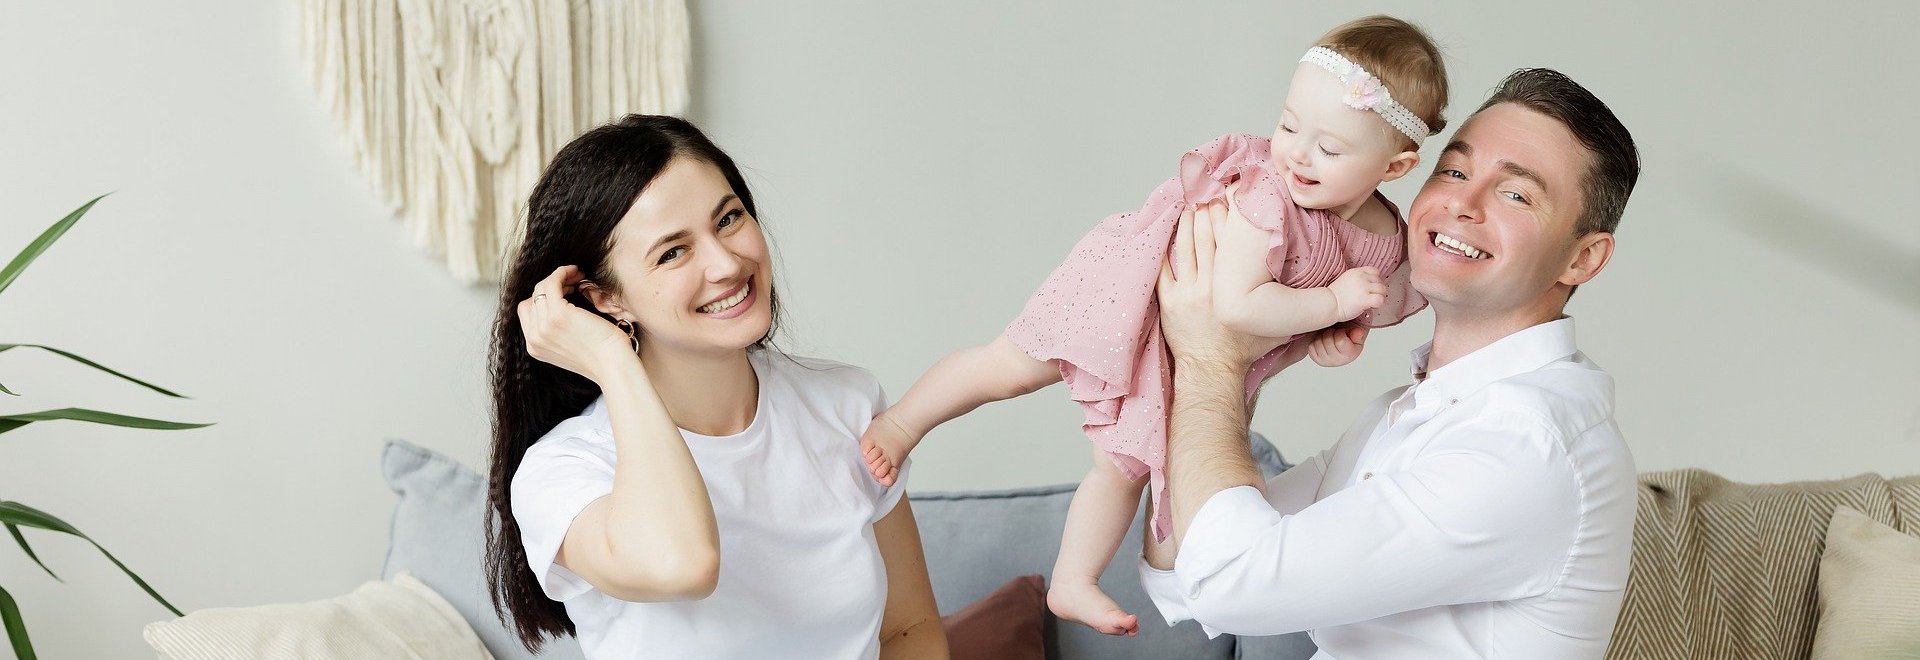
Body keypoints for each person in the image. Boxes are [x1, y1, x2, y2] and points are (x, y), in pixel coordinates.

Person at [857, 16, 1444, 635]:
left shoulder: (1383, 242)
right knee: (1008, 367)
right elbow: (1238, 306)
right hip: (1131, 293)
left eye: (1328, 147)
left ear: (1396, 167)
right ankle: (901, 424)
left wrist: (1332, 340)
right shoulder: (1266, 196)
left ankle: (1072, 580)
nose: (1295, 152)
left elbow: (1331, 322)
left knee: (1122, 466)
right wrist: (1329, 304)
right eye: (1288, 124)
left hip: (1190, 353)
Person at [1143, 67, 1642, 659]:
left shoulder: (1524, 444)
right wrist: (1242, 353)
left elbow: (1230, 586)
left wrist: (1210, 361)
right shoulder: (1414, 411)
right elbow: (1182, 567)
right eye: (1454, 170)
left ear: (1583, 259)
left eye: (1515, 194)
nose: (1462, 201)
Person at [481, 115, 948, 659]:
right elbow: (685, 564)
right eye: (672, 252)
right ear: (604, 299)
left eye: (728, 219)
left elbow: (911, 629)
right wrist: (611, 362)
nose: (727, 263)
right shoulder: (563, 470)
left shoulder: (845, 405)